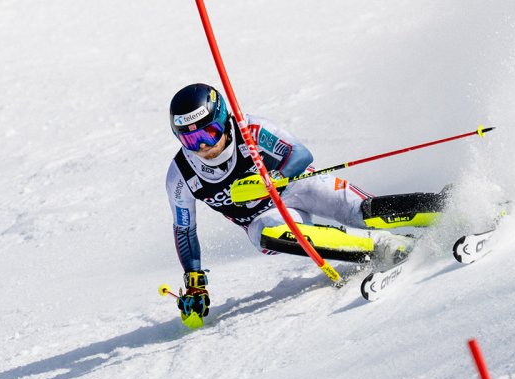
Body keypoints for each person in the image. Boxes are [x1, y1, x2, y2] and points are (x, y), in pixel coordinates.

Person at [165, 83, 447, 323]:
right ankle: (386, 246)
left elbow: (301, 155)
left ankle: (449, 205)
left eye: (208, 133)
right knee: (272, 235)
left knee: (363, 212)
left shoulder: (249, 129)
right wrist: (194, 284)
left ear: (223, 119)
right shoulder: (181, 175)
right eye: (190, 139)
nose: (202, 146)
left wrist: (272, 179)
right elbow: (184, 230)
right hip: (263, 218)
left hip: (298, 185)